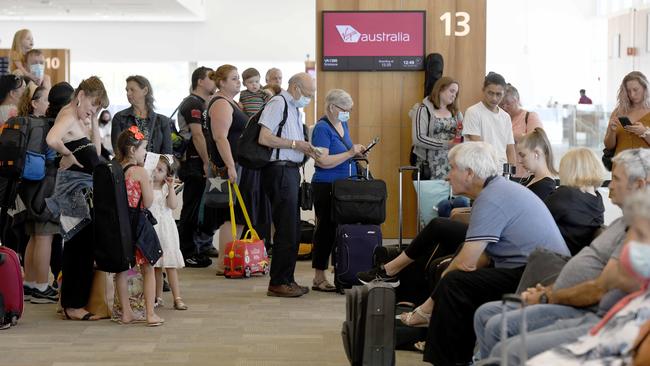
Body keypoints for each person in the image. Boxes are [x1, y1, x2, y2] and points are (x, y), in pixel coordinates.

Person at [474, 148, 650, 364]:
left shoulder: (637, 230)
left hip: (588, 310)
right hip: (569, 299)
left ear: (640, 184)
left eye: (615, 178)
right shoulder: (620, 222)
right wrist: (548, 291)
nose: (610, 185)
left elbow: (600, 288)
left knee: (505, 342)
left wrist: (547, 296)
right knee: (486, 315)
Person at [401, 142, 569, 365]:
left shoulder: (492, 197)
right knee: (453, 277)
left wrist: (430, 303)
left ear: (469, 173)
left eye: (452, 168)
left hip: (537, 277)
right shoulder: (496, 190)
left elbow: (467, 262)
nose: (447, 177)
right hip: (533, 270)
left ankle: (447, 360)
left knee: (454, 283)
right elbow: (482, 256)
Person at [527, 189, 650, 365]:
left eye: (641, 236)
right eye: (633, 235)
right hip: (592, 337)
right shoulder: (639, 292)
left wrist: (547, 297)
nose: (630, 246)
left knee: (512, 347)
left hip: (587, 321)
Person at [45, 76, 108, 321]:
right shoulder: (69, 115)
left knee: (81, 246)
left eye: (99, 107)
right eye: (93, 103)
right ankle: (73, 305)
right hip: (74, 192)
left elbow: (98, 151)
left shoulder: (78, 117)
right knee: (77, 248)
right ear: (81, 95)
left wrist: (92, 120)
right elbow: (52, 139)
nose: (94, 109)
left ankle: (69, 301)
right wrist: (68, 154)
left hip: (83, 191)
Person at [258, 72, 320, 297]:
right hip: (279, 171)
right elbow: (264, 138)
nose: (309, 98)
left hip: (289, 171)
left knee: (292, 228)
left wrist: (304, 147)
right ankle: (278, 282)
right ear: (294, 87)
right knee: (286, 228)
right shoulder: (278, 103)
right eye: (308, 94)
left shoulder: (294, 108)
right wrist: (295, 144)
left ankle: (287, 278)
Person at [310, 89, 365, 292]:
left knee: (340, 229)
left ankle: (339, 270)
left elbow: (344, 152)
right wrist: (350, 152)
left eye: (350, 110)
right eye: (345, 110)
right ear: (332, 108)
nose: (347, 114)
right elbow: (322, 161)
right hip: (326, 185)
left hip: (344, 185)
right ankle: (319, 276)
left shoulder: (343, 124)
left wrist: (356, 153)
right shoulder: (322, 129)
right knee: (325, 230)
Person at [114, 127, 164, 327]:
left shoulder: (116, 169)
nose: (145, 153)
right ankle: (150, 313)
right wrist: (149, 181)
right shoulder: (140, 172)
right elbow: (149, 202)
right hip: (139, 225)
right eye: (144, 149)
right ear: (133, 151)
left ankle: (126, 313)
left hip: (121, 226)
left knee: (121, 270)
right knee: (148, 269)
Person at [203, 64, 247, 276]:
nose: (239, 82)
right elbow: (220, 137)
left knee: (235, 215)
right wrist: (230, 165)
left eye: (239, 78)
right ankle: (224, 262)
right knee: (230, 215)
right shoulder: (220, 103)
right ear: (221, 82)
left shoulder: (230, 102)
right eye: (234, 78)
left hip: (234, 164)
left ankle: (231, 259)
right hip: (228, 166)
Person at [175, 66, 218, 266]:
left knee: (203, 208)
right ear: (200, 81)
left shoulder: (203, 103)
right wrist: (206, 161)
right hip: (194, 163)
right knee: (191, 209)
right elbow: (197, 135)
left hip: (199, 162)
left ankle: (198, 248)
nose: (215, 81)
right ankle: (187, 252)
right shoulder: (192, 103)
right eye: (211, 78)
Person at [545, 147, 605, 255]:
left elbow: (539, 217)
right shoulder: (598, 199)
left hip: (556, 257)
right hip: (578, 256)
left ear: (569, 170)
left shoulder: (565, 195)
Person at [151, 156, 187, 311]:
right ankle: (157, 297)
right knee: (155, 266)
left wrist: (171, 188)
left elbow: (172, 205)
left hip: (166, 229)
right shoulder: (146, 186)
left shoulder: (166, 188)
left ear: (167, 174)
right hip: (152, 229)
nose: (155, 172)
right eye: (154, 168)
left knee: (170, 264)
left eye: (160, 170)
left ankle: (177, 297)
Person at [410, 76, 462, 180]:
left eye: (456, 93)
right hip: (429, 166)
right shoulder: (423, 110)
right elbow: (418, 138)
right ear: (440, 89)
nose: (454, 96)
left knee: (455, 196)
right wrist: (448, 144)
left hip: (453, 165)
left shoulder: (456, 113)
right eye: (451, 91)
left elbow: (462, 137)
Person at [463, 72, 516, 167]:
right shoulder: (473, 112)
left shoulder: (505, 117)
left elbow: (510, 148)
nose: (494, 98)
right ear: (483, 90)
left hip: (502, 170)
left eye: (498, 94)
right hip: (481, 168)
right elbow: (477, 145)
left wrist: (511, 173)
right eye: (490, 93)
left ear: (504, 94)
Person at [111, 75, 172, 154]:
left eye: (132, 90)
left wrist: (159, 164)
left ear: (145, 91)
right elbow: (118, 151)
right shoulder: (119, 118)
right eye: (127, 90)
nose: (128, 93)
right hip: (129, 165)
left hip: (156, 166)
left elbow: (167, 154)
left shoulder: (163, 121)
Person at [499, 84, 543, 178]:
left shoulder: (529, 116)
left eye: (508, 103)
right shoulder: (500, 118)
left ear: (517, 100)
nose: (504, 107)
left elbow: (538, 138)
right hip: (503, 171)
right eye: (502, 104)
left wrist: (511, 135)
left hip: (525, 173)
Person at [604, 71, 650, 156]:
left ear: (645, 88)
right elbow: (609, 146)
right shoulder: (618, 111)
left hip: (645, 167)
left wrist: (644, 132)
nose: (632, 94)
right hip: (620, 166)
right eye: (628, 91)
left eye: (635, 90)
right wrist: (611, 131)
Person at [515, 128, 557, 200]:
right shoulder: (532, 178)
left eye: (523, 155)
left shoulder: (545, 187)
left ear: (536, 153)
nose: (519, 161)